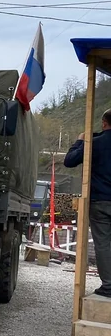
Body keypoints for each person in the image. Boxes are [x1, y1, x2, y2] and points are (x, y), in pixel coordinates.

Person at [64, 109, 111, 297]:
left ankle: (108, 286)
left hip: (100, 201)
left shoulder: (95, 143)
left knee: (103, 244)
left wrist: (80, 141)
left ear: (104, 123)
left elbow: (69, 161)